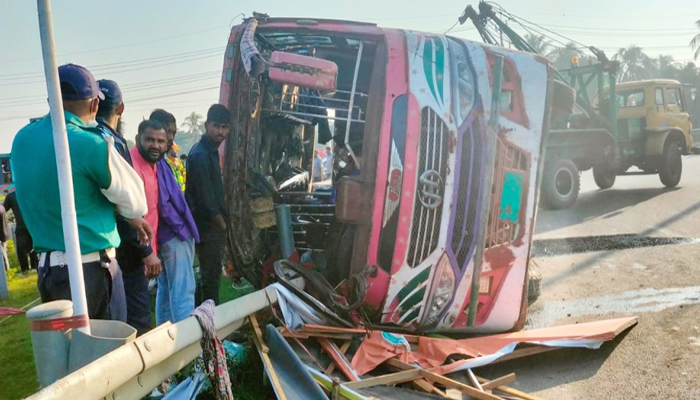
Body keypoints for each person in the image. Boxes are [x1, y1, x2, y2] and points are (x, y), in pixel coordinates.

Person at [11, 63, 148, 319]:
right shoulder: (90, 142)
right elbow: (135, 203)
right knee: (108, 354)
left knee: (68, 355)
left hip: (50, 271)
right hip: (91, 270)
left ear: (50, 99)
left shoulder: (21, 140)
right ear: (95, 104)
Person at [96, 79, 154, 325]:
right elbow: (125, 206)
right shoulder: (110, 142)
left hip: (97, 250)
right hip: (123, 251)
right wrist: (145, 251)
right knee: (136, 319)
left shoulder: (83, 138)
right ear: (120, 109)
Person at [186, 104, 230, 305]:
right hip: (207, 226)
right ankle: (211, 327)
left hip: (210, 225)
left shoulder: (209, 150)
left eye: (224, 127)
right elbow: (205, 199)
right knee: (211, 279)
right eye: (216, 126)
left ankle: (198, 320)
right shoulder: (201, 154)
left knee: (208, 276)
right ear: (206, 125)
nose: (220, 132)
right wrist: (221, 224)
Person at [128, 119, 168, 334]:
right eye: (150, 140)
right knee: (138, 318)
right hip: (133, 253)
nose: (156, 145)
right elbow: (129, 216)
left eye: (161, 141)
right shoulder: (132, 166)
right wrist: (146, 252)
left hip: (145, 251)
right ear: (138, 139)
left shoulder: (154, 165)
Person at [156, 133, 200, 324]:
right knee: (183, 291)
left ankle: (164, 339)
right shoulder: (158, 164)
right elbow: (164, 204)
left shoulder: (162, 163)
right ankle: (184, 343)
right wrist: (183, 229)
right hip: (174, 233)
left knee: (166, 290)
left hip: (165, 234)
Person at [149, 109, 186, 192]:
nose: (171, 138)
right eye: (168, 132)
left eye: (173, 133)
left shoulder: (164, 164)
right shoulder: (139, 162)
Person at [3, 190, 38, 274]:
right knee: (34, 246)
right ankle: (35, 266)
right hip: (33, 225)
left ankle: (25, 269)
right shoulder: (32, 193)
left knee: (21, 249)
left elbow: (3, 209)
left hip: (22, 225)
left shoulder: (12, 196)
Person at [0, 199, 10, 271]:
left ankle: (5, 269)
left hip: (1, 234)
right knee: (4, 253)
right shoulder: (2, 207)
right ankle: (7, 269)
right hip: (4, 233)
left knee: (2, 254)